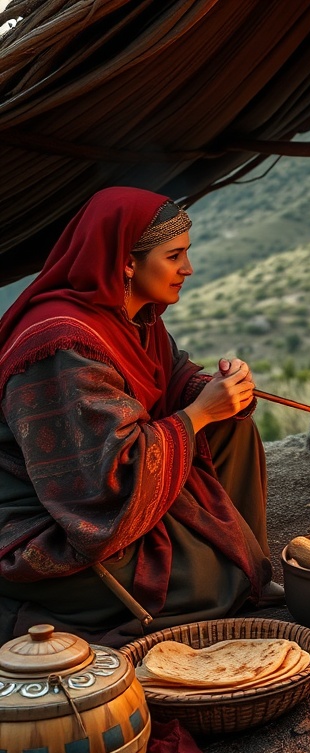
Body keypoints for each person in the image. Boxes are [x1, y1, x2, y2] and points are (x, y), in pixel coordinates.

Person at [0, 187, 281, 647]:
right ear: (128, 263)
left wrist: (216, 392)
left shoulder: (135, 316)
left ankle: (241, 562)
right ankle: (227, 570)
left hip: (117, 494)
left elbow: (171, 381)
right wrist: (197, 414)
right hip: (56, 523)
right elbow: (105, 485)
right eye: (174, 256)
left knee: (233, 426)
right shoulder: (63, 345)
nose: (187, 269)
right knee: (205, 585)